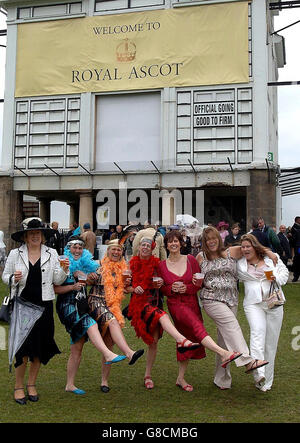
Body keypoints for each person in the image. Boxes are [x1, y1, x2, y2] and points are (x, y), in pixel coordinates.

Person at [158, 230, 243, 392]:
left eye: (176, 241)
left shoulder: (190, 260)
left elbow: (199, 283)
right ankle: (223, 353)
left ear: (181, 243)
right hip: (176, 305)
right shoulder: (161, 265)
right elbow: (162, 288)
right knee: (198, 329)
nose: (174, 244)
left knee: (186, 339)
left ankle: (180, 378)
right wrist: (171, 289)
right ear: (167, 245)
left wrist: (187, 287)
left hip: (192, 303)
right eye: (170, 242)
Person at [2, 218, 68, 405]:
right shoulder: (15, 254)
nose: (35, 236)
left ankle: (32, 385)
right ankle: (18, 386)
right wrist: (13, 278)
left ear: (42, 236)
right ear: (25, 236)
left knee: (39, 347)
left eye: (38, 233)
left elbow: (59, 279)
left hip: (44, 307)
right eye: (31, 233)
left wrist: (64, 271)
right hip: (22, 305)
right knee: (22, 348)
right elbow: (5, 277)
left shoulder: (52, 253)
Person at [196, 226, 269, 390]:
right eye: (207, 240)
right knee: (232, 326)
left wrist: (270, 253)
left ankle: (221, 379)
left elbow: (253, 247)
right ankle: (248, 361)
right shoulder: (200, 257)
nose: (211, 242)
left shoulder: (231, 252)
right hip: (211, 299)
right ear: (204, 243)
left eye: (213, 238)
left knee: (224, 339)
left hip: (231, 300)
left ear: (219, 238)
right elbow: (192, 276)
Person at [126, 236, 201, 390]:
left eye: (149, 245)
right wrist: (133, 289)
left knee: (153, 343)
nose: (145, 247)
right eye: (143, 245)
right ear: (139, 247)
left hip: (155, 303)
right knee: (162, 315)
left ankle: (148, 375)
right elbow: (124, 287)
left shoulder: (157, 265)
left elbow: (164, 285)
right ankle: (181, 340)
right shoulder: (131, 265)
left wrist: (161, 285)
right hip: (140, 306)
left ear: (153, 248)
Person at [55, 237, 126, 396]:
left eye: (80, 248)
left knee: (77, 346)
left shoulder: (87, 264)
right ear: (68, 248)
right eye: (74, 248)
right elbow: (55, 289)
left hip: (81, 304)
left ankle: (70, 384)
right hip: (67, 305)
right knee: (90, 323)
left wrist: (90, 278)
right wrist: (72, 286)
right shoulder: (62, 264)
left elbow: (96, 275)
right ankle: (108, 354)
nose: (77, 251)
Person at [87, 239, 144, 393]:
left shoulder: (124, 269)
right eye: (114, 249)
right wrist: (89, 277)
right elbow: (84, 275)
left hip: (112, 305)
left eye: (119, 250)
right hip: (96, 301)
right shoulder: (97, 265)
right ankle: (129, 353)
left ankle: (104, 381)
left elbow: (123, 290)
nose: (116, 252)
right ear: (108, 251)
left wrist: (133, 289)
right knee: (113, 322)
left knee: (109, 342)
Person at [237, 234, 289, 391]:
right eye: (243, 247)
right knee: (257, 333)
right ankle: (259, 373)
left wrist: (274, 277)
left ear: (255, 247)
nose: (245, 249)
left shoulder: (271, 259)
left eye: (248, 246)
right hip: (253, 304)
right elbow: (227, 251)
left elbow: (284, 274)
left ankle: (267, 382)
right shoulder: (240, 264)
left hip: (274, 303)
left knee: (270, 344)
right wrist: (266, 250)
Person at [290, 216, 300, 282]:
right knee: (297, 261)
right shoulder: (294, 228)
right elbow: (293, 239)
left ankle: (296, 276)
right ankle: (296, 276)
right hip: (298, 247)